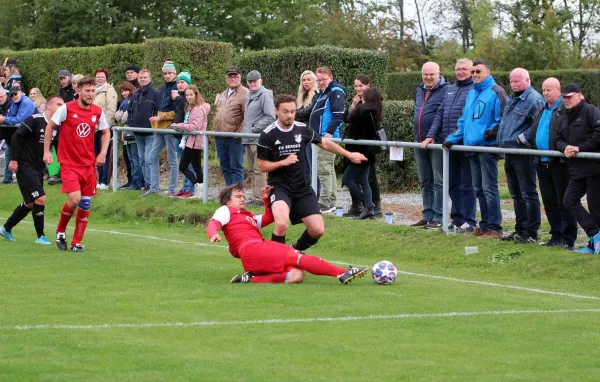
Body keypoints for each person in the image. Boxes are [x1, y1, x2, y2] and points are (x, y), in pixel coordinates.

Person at [257, 94, 367, 251]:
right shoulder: (268, 134)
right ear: (276, 111)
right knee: (281, 224)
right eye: (285, 111)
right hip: (280, 187)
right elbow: (262, 166)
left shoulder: (302, 129)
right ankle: (276, 263)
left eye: (293, 111)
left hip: (302, 188)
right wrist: (283, 162)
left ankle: (294, 251)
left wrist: (350, 155)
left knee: (317, 230)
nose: (289, 115)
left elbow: (325, 143)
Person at [206, 183, 368, 284]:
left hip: (254, 255)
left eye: (243, 196)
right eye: (238, 196)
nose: (242, 199)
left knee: (297, 275)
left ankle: (251, 278)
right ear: (228, 201)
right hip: (252, 250)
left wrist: (265, 200)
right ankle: (341, 273)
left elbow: (269, 218)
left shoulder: (248, 216)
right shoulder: (226, 210)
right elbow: (213, 224)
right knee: (296, 256)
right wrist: (213, 234)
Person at [43, 77, 110, 252]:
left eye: (93, 90)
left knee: (86, 204)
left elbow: (105, 131)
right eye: (87, 91)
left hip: (88, 165)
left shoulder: (97, 111)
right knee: (74, 200)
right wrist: (47, 151)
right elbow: (50, 127)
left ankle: (76, 242)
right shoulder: (66, 108)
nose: (90, 94)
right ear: (78, 91)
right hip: (69, 163)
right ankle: (61, 229)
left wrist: (102, 153)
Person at [443, 60, 508, 239]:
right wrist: (452, 139)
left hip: (487, 148)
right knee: (478, 189)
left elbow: (502, 119)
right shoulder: (472, 93)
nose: (474, 74)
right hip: (471, 149)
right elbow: (464, 121)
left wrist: (492, 133)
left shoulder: (497, 92)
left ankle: (495, 228)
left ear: (488, 71)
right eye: (472, 72)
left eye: (478, 71)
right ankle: (485, 225)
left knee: (489, 188)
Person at [0, 96, 64, 244]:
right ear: (49, 106)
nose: (62, 107)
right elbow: (16, 137)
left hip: (38, 167)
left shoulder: (56, 126)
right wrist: (14, 160)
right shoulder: (35, 120)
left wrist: (52, 164)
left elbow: (53, 147)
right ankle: (41, 236)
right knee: (40, 198)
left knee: (30, 203)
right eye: (59, 104)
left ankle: (6, 228)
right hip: (23, 164)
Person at [422, 58, 476, 233]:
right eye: (458, 69)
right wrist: (431, 135)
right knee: (452, 184)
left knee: (467, 185)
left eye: (464, 69)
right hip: (448, 145)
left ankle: (469, 221)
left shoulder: (474, 90)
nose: (460, 72)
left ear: (471, 71)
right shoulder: (450, 90)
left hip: (464, 145)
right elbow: (440, 114)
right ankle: (457, 219)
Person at [497, 68, 544, 243]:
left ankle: (531, 233)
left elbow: (538, 125)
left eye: (518, 81)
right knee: (515, 194)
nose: (514, 84)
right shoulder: (512, 98)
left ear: (528, 80)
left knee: (528, 193)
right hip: (510, 152)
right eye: (512, 81)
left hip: (523, 154)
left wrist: (521, 139)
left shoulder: (534, 100)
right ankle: (520, 230)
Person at [530, 78, 577, 249]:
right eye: (543, 90)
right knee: (549, 201)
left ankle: (568, 238)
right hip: (542, 162)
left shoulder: (564, 109)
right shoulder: (543, 109)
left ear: (559, 90)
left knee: (564, 201)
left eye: (549, 90)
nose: (545, 93)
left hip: (559, 163)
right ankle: (555, 235)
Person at [555, 83, 600, 254]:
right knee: (569, 200)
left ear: (579, 95)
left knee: (596, 208)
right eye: (564, 97)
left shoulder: (590, 111)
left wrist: (580, 148)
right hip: (577, 170)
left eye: (569, 96)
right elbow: (557, 137)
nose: (566, 100)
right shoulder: (565, 115)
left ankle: (594, 244)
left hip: (595, 169)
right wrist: (565, 147)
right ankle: (595, 236)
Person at [411, 62, 449, 229]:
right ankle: (427, 215)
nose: (427, 77)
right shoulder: (419, 89)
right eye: (425, 74)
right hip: (419, 141)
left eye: (431, 74)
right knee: (425, 180)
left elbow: (442, 116)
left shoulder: (446, 90)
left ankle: (439, 216)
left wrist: (433, 136)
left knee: (439, 180)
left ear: (438, 74)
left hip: (436, 142)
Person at [342, 74, 383, 218]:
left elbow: (350, 121)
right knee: (364, 180)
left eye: (361, 86)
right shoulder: (373, 107)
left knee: (351, 179)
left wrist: (354, 108)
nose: (358, 89)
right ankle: (365, 207)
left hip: (361, 150)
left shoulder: (365, 109)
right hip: (366, 150)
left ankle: (370, 205)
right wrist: (353, 105)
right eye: (356, 86)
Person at [309, 67, 346, 213]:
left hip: (326, 137)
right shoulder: (323, 93)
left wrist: (329, 133)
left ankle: (324, 202)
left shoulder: (335, 91)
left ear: (331, 77)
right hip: (321, 136)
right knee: (328, 169)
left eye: (323, 79)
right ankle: (331, 201)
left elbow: (338, 114)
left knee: (324, 168)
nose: (321, 82)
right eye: (318, 80)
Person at [242, 70, 276, 204]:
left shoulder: (265, 95)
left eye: (255, 81)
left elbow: (271, 117)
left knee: (259, 169)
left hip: (259, 139)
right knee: (251, 169)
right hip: (249, 138)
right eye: (250, 82)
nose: (252, 83)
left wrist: (253, 128)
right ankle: (255, 196)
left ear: (260, 81)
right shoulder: (249, 94)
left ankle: (261, 198)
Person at [147, 60, 179, 197]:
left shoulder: (178, 88)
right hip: (159, 128)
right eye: (165, 73)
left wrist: (161, 117)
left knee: (172, 159)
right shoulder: (163, 88)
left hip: (170, 128)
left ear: (175, 73)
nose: (167, 76)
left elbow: (178, 111)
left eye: (170, 73)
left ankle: (172, 189)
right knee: (151, 156)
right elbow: (159, 108)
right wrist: (155, 118)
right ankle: (154, 188)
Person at [172, 85, 210, 198]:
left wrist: (178, 125)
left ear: (196, 95)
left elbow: (195, 126)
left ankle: (200, 188)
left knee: (188, 167)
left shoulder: (198, 109)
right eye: (187, 95)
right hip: (190, 141)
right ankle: (199, 187)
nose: (188, 97)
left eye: (191, 95)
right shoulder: (191, 107)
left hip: (195, 142)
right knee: (191, 167)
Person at [213, 66, 248, 186]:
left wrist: (239, 132)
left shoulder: (245, 93)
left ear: (240, 78)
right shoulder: (223, 93)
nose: (233, 78)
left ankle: (238, 195)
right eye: (230, 76)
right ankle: (229, 193)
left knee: (236, 167)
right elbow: (217, 113)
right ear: (226, 78)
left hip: (235, 137)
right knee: (225, 167)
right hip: (220, 136)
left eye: (235, 76)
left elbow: (247, 116)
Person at [127, 69, 159, 195]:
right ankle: (147, 184)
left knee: (148, 158)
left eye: (145, 77)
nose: (142, 79)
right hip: (138, 132)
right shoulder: (136, 94)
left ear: (150, 78)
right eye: (140, 77)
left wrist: (154, 123)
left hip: (150, 132)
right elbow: (130, 110)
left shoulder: (155, 93)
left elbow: (158, 110)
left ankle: (152, 185)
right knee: (141, 159)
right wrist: (131, 123)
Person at [0, 86, 36, 184]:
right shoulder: (14, 103)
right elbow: (11, 116)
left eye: (15, 94)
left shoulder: (26, 102)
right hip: (17, 135)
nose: (13, 96)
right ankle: (8, 179)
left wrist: (4, 120)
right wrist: (6, 119)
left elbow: (20, 119)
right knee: (9, 155)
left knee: (23, 158)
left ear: (20, 92)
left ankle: (24, 178)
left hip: (29, 135)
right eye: (11, 95)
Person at [93, 69, 118, 190]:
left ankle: (105, 181)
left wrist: (105, 127)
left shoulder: (109, 90)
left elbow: (111, 110)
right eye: (98, 77)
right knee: (96, 153)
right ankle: (99, 179)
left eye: (102, 77)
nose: (100, 79)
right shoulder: (93, 91)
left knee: (105, 153)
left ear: (106, 78)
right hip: (94, 129)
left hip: (104, 128)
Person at [172, 69, 195, 198]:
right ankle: (185, 187)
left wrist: (179, 98)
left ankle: (190, 189)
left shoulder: (186, 98)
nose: (179, 85)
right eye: (178, 82)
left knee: (189, 163)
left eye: (182, 82)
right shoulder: (180, 98)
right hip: (178, 136)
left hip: (187, 136)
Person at [115, 81, 142, 190]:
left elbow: (125, 118)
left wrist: (122, 112)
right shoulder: (124, 103)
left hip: (133, 134)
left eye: (126, 90)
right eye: (122, 91)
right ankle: (132, 182)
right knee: (130, 159)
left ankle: (137, 183)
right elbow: (117, 117)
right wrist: (122, 110)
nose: (124, 93)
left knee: (136, 159)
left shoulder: (134, 101)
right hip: (126, 135)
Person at [295, 70, 319, 183]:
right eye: (303, 80)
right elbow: (300, 113)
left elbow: (308, 112)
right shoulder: (301, 96)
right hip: (301, 134)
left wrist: (294, 113)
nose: (306, 82)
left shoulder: (317, 95)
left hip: (310, 133)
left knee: (312, 164)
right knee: (304, 164)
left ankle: (316, 191)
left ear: (314, 81)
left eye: (309, 79)